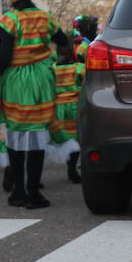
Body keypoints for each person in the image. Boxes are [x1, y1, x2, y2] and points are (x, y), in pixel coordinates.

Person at [0, 0, 70, 208]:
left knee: (15, 134)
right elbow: (63, 41)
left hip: (16, 81)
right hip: (41, 80)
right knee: (37, 135)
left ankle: (18, 191)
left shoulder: (10, 20)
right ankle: (34, 192)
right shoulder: (45, 17)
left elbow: (4, 56)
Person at [48, 39, 85, 183]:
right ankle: (72, 166)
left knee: (65, 137)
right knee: (77, 137)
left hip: (58, 108)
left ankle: (69, 164)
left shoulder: (52, 69)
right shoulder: (79, 68)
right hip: (75, 106)